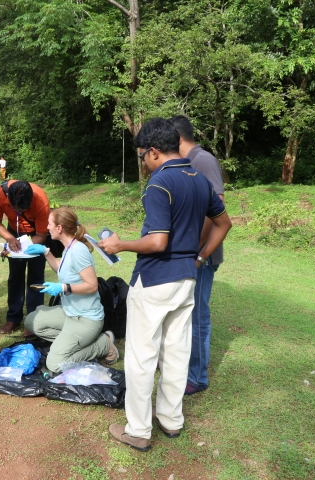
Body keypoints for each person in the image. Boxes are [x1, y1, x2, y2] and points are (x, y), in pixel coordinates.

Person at [98, 117, 231, 452]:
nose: (143, 162)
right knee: (176, 352)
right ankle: (171, 420)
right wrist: (199, 258)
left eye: (143, 155)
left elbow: (157, 242)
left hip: (156, 279)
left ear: (154, 152)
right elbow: (224, 223)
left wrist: (120, 245)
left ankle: (139, 430)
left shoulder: (159, 185)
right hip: (187, 277)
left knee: (141, 357)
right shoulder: (199, 180)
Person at [23, 207, 119, 373]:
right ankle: (72, 342)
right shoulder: (68, 247)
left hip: (86, 319)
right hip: (70, 313)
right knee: (32, 321)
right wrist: (46, 252)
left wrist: (64, 287)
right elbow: (63, 268)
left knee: (55, 364)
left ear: (59, 228)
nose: (47, 227)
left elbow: (92, 285)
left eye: (49, 224)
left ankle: (104, 344)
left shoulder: (78, 251)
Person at [171, 115, 226, 396]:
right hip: (190, 253)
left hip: (202, 255)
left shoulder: (202, 160)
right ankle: (184, 368)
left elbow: (216, 210)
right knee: (185, 313)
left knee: (198, 316)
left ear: (178, 138)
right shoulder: (185, 162)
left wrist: (197, 251)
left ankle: (198, 377)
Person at [0, 180, 51, 334]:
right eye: (15, 208)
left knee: (36, 277)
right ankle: (13, 318)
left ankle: (33, 319)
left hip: (35, 235)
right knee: (15, 276)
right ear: (9, 199)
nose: (19, 211)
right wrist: (10, 239)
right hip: (13, 233)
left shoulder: (41, 200)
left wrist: (23, 248)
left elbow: (41, 235)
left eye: (23, 209)